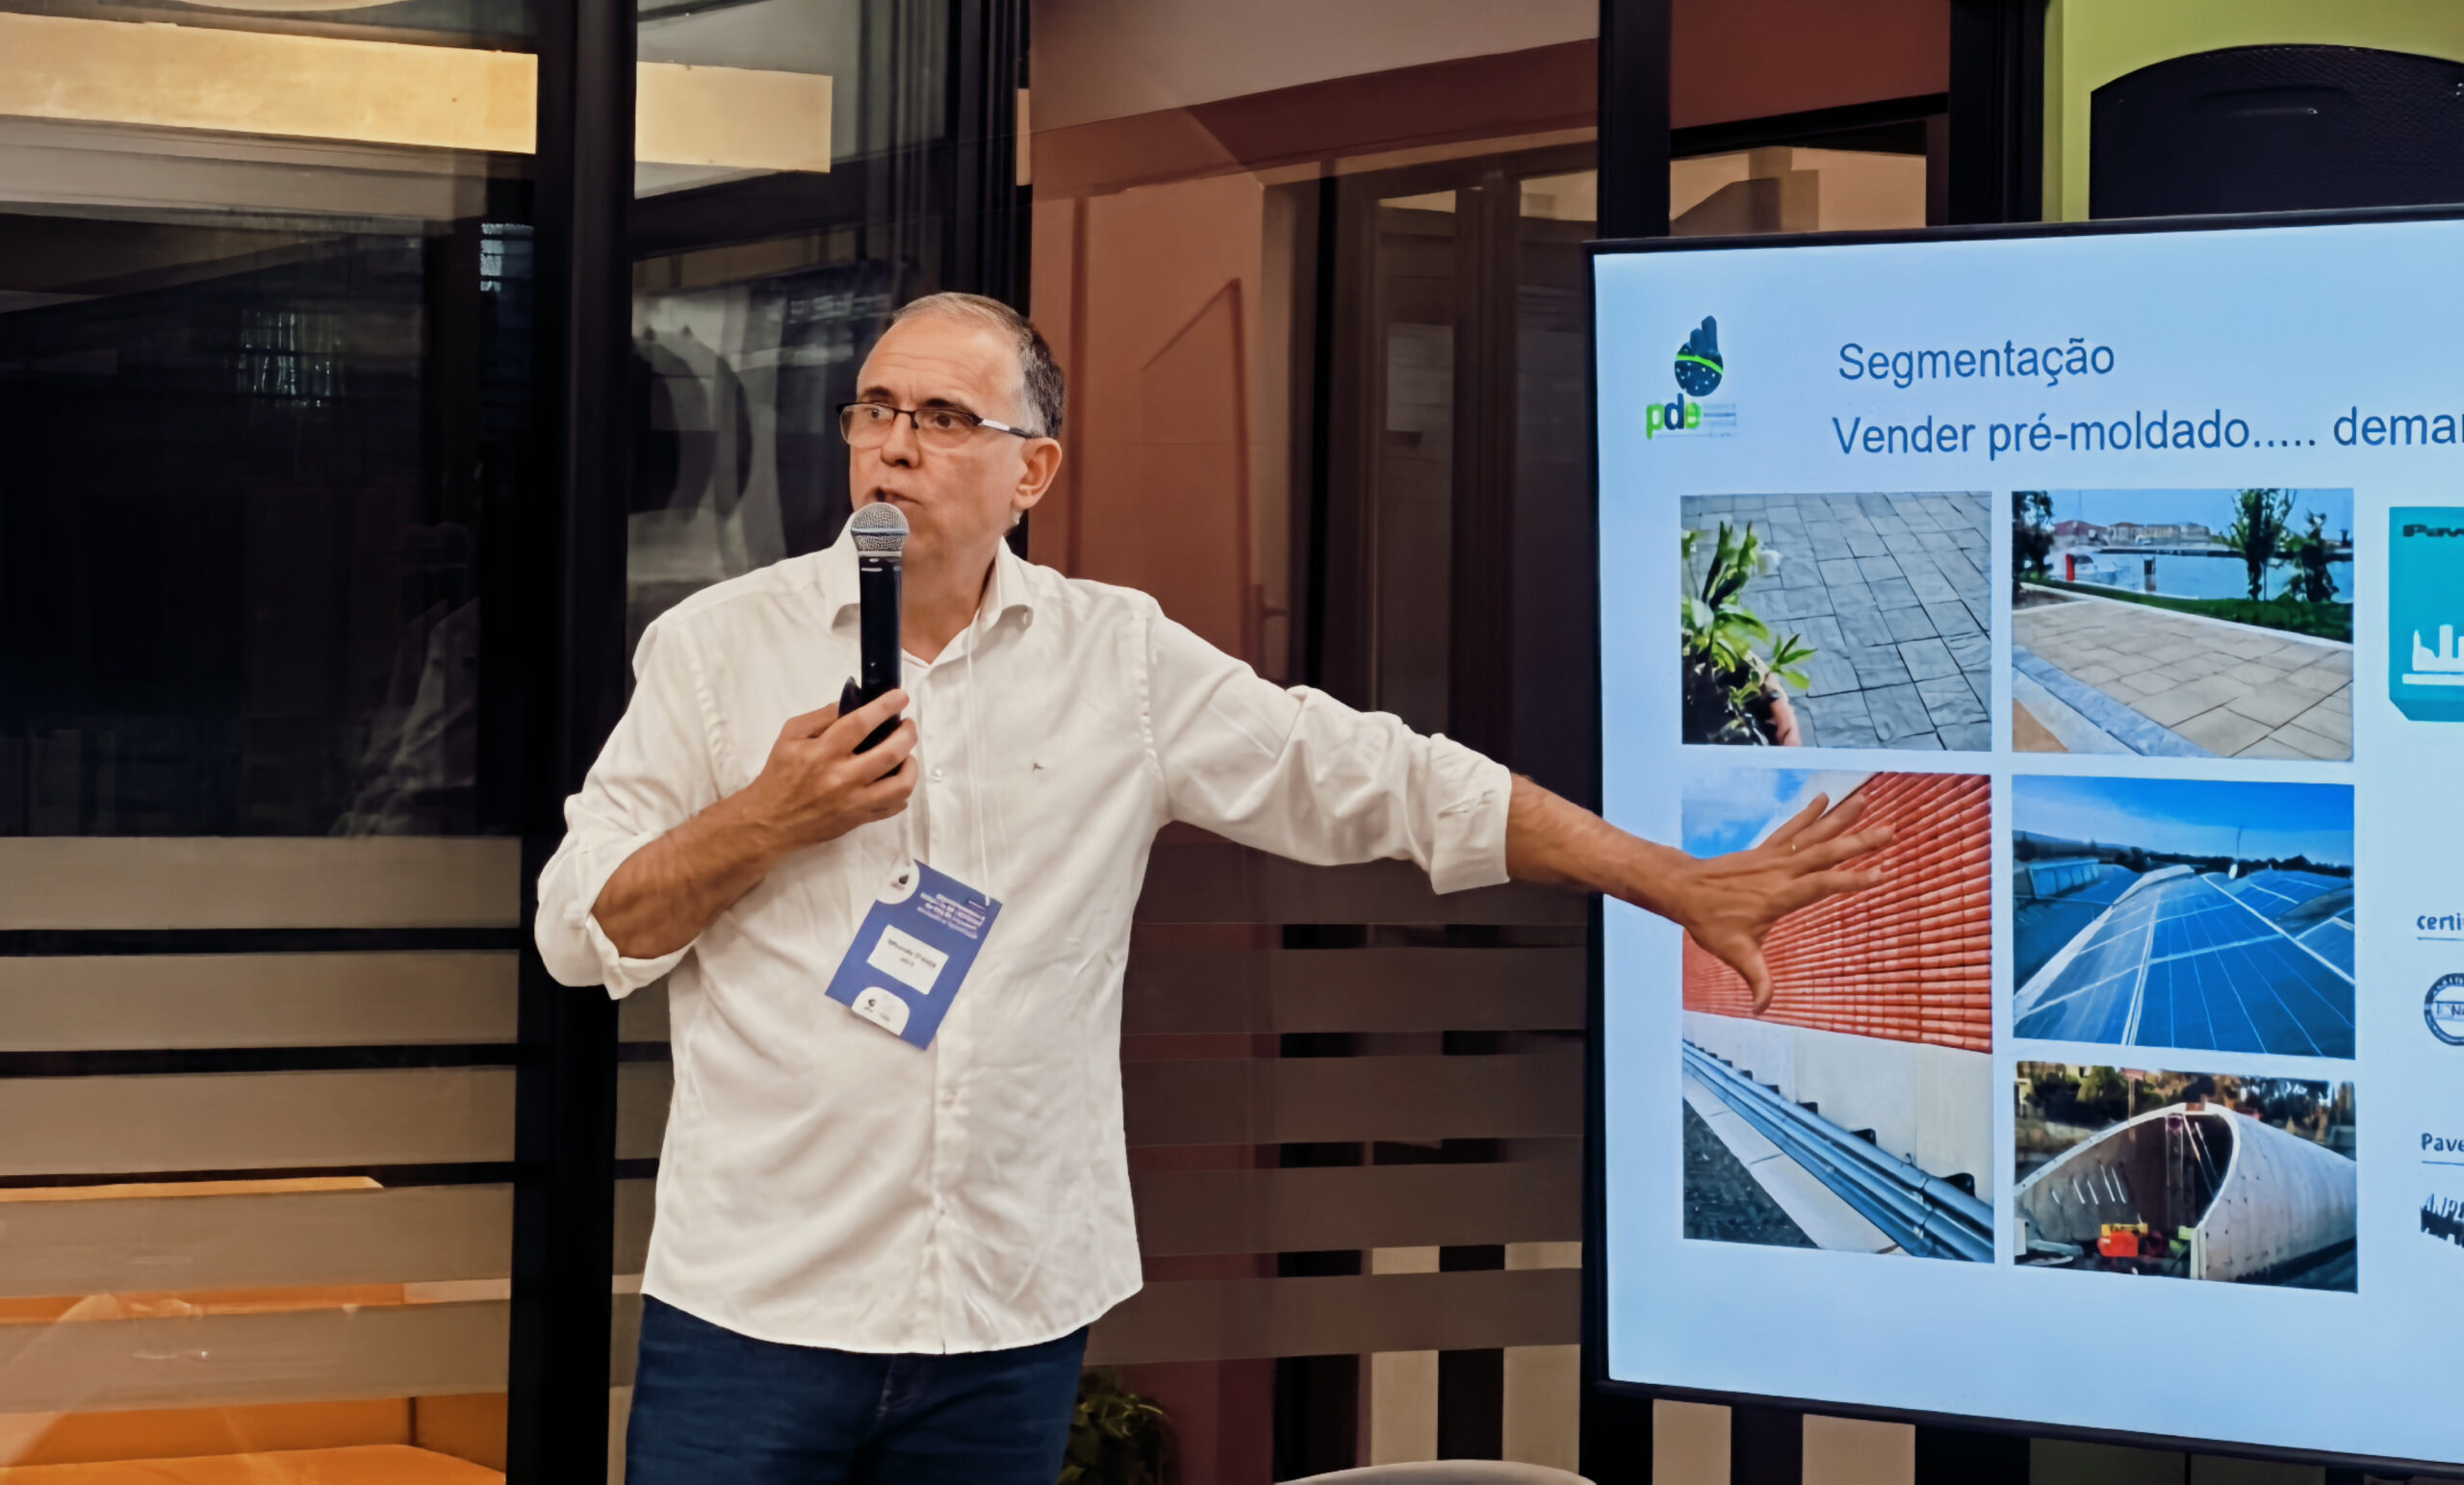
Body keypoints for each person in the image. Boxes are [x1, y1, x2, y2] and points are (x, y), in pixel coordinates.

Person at [536, 292, 1887, 1485]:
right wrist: (763, 820)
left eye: (943, 419)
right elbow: (579, 930)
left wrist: (1665, 876)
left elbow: (1379, 778)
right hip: (760, 1312)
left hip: (1006, 1313)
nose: (893, 446)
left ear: (1032, 470)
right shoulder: (718, 652)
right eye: (874, 410)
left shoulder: (1115, 659)